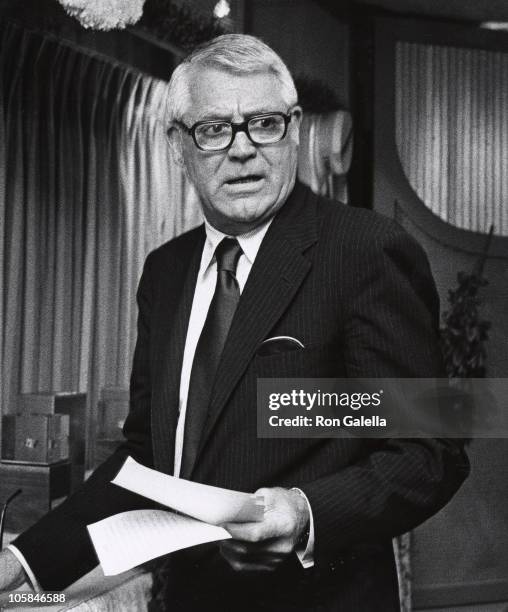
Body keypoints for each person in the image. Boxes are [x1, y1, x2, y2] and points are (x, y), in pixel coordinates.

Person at [0, 34, 468, 611]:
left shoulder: (366, 251)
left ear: (294, 128)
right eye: (215, 129)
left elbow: (430, 450)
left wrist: (304, 513)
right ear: (178, 144)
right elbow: (146, 456)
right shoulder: (164, 272)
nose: (243, 149)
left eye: (264, 123)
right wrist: (24, 560)